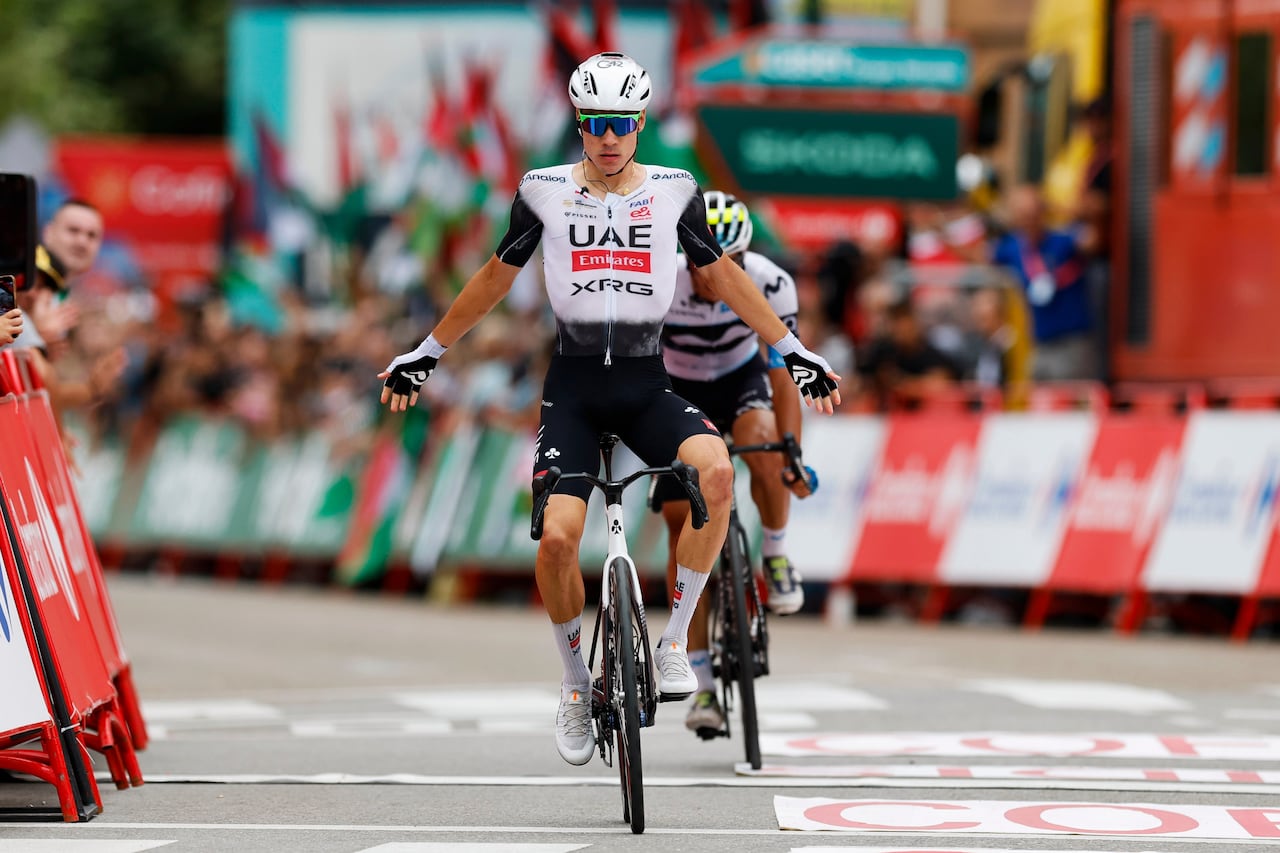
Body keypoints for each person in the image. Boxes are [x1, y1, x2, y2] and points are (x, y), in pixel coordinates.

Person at [379, 52, 841, 767]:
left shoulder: (674, 189)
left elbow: (722, 274)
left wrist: (795, 349)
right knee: (559, 540)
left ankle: (672, 642)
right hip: (573, 389)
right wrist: (428, 349)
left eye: (621, 123)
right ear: (579, 122)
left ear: (641, 122)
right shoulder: (543, 190)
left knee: (715, 472)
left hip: (646, 384)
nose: (608, 137)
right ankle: (572, 685)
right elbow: (494, 278)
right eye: (595, 123)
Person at [649, 189, 817, 736]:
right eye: (705, 260)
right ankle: (698, 681)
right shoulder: (661, 281)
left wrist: (790, 452)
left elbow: (782, 370)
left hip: (739, 379)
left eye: (733, 261)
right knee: (683, 526)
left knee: (765, 441)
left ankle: (775, 553)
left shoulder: (771, 282)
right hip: (677, 390)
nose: (718, 273)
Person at [990, 184, 1094, 381]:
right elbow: (981, 254)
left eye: (1033, 213)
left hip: (1071, 342)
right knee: (1039, 403)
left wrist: (1061, 209)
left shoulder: (1063, 239)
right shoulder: (1013, 247)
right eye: (1022, 215)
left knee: (1068, 404)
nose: (1029, 220)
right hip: (1040, 344)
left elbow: (1092, 240)